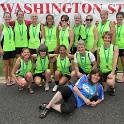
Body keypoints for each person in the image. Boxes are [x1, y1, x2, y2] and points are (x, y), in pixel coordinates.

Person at [39, 68, 104, 118]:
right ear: (91, 74)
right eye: (94, 75)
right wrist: (85, 99)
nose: (96, 77)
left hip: (76, 100)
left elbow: (101, 98)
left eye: (98, 76)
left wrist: (95, 103)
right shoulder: (85, 78)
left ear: (100, 78)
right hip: (71, 91)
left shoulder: (99, 87)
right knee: (64, 89)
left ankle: (49, 105)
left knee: (67, 110)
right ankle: (47, 108)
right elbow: (75, 88)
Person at [97, 31, 118, 96]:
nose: (107, 39)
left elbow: (115, 61)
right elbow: (98, 61)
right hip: (102, 70)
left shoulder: (115, 48)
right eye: (105, 38)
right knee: (105, 90)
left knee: (110, 82)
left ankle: (112, 87)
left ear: (111, 39)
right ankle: (104, 83)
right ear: (103, 38)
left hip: (111, 70)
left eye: (108, 38)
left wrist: (112, 73)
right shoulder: (99, 48)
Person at [0, 12, 16, 86]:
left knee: (11, 64)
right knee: (5, 65)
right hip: (5, 49)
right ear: (3, 18)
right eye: (6, 17)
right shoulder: (1, 26)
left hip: (12, 48)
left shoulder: (10, 27)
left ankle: (11, 78)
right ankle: (6, 79)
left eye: (8, 17)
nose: (7, 18)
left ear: (10, 18)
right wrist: (0, 48)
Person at [114, 12, 124, 82]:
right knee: (115, 63)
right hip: (116, 47)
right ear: (116, 18)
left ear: (123, 18)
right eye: (118, 17)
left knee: (123, 63)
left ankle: (123, 77)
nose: (119, 18)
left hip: (123, 46)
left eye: (121, 17)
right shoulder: (114, 27)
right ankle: (115, 76)